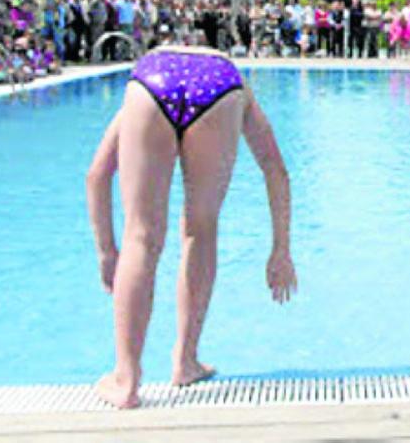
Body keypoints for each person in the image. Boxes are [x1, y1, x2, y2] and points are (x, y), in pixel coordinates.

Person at [86, 46, 297, 409]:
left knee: (141, 238)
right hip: (220, 91)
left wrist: (107, 252)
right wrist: (281, 250)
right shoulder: (240, 89)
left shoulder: (147, 77)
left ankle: (126, 379)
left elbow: (97, 174)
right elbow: (275, 169)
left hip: (152, 82)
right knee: (201, 228)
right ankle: (185, 360)